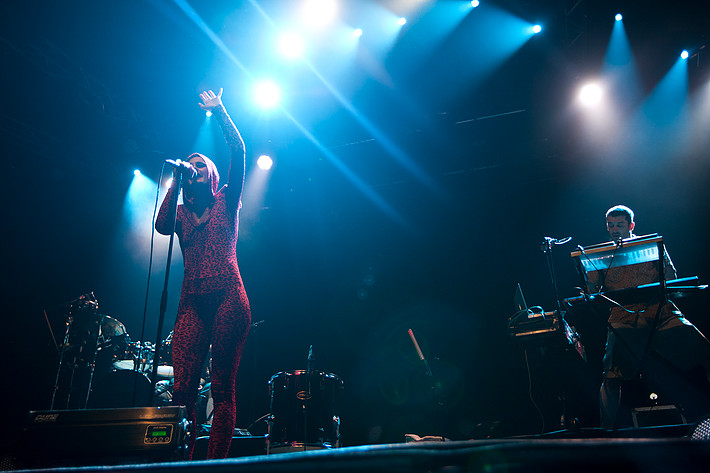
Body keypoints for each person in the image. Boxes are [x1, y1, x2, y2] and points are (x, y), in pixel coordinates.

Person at [156, 88, 251, 459]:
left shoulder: (227, 200)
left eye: (199, 164)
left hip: (229, 298)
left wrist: (220, 110)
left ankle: (213, 465)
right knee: (182, 390)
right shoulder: (180, 214)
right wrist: (176, 182)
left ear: (210, 175)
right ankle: (183, 461)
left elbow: (239, 153)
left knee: (221, 388)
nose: (192, 166)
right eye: (189, 163)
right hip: (191, 303)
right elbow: (162, 226)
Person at [598, 205, 710, 428]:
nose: (614, 229)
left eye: (619, 225)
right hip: (623, 316)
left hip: (660, 311)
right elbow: (592, 288)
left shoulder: (651, 244)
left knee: (703, 351)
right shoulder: (601, 254)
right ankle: (606, 432)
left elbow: (671, 277)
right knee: (611, 376)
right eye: (610, 225)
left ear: (631, 226)